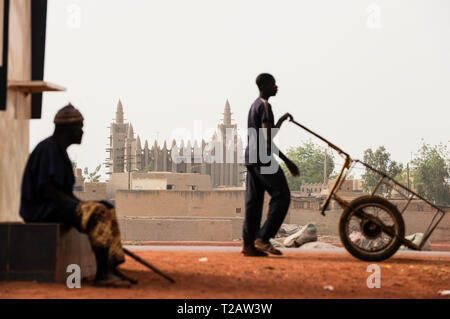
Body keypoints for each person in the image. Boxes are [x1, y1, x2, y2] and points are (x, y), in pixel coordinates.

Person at [20, 103, 132, 287]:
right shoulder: (48, 149)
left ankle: (111, 266)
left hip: (54, 206)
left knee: (107, 207)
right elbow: (47, 190)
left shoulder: (59, 152)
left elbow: (62, 192)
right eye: (79, 127)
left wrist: (77, 205)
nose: (82, 132)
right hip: (41, 210)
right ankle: (102, 274)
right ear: (67, 130)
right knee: (98, 212)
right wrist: (76, 207)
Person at [242, 73, 300, 257]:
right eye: (274, 84)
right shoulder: (266, 106)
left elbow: (266, 133)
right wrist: (287, 161)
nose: (277, 87)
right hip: (263, 158)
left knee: (254, 203)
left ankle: (249, 245)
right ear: (265, 85)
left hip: (251, 158)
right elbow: (267, 141)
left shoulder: (254, 106)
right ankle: (263, 238)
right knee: (282, 195)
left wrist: (281, 121)